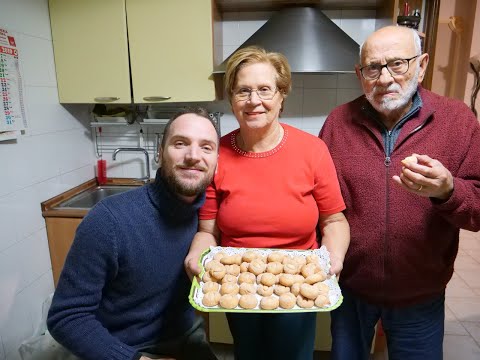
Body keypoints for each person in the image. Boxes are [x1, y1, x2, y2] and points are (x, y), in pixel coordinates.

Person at [319, 25, 480, 360]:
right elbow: (322, 203)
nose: (384, 78)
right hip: (350, 290)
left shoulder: (458, 121)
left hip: (420, 294)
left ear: (421, 65)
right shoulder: (337, 123)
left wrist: (448, 190)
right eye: (373, 68)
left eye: (398, 64)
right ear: (359, 73)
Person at [185, 46, 350, 360]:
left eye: (264, 89)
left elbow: (334, 221)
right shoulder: (216, 154)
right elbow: (208, 230)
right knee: (248, 354)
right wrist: (196, 254)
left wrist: (335, 258)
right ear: (231, 97)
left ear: (281, 94)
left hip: (298, 279)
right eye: (243, 91)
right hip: (237, 280)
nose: (254, 101)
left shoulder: (312, 150)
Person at [47, 107, 220, 360]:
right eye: (180, 143)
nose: (193, 156)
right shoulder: (109, 220)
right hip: (123, 348)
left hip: (185, 335)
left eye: (206, 147)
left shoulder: (206, 217)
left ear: (216, 161)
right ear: (160, 153)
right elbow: (66, 316)